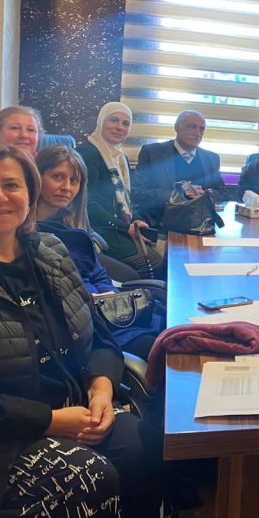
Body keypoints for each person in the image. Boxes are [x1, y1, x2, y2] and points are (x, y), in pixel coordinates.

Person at [0, 142, 182, 518]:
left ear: (29, 194)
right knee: (89, 478)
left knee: (150, 447)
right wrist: (50, 421)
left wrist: (102, 388)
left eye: (11, 185)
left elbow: (99, 336)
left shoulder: (50, 252)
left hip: (78, 410)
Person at [36, 145, 163, 359]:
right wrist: (89, 299)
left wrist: (108, 295)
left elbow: (97, 273)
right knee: (155, 346)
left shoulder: (73, 229)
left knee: (167, 324)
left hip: (104, 311)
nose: (66, 187)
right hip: (77, 322)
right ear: (37, 176)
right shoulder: (28, 234)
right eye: (57, 177)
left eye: (74, 181)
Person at [77, 102, 165, 279]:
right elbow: (88, 204)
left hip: (115, 226)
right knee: (153, 261)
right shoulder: (87, 154)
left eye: (125, 123)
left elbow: (125, 199)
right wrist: (125, 227)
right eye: (113, 120)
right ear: (101, 121)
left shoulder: (119, 156)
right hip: (96, 228)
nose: (119, 127)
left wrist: (136, 219)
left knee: (162, 253)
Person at [132, 109, 225, 225]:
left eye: (202, 129)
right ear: (176, 127)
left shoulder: (211, 158)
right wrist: (179, 194)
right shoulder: (152, 153)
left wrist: (205, 194)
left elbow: (222, 192)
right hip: (161, 223)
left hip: (202, 225)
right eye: (192, 127)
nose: (197, 133)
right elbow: (138, 192)